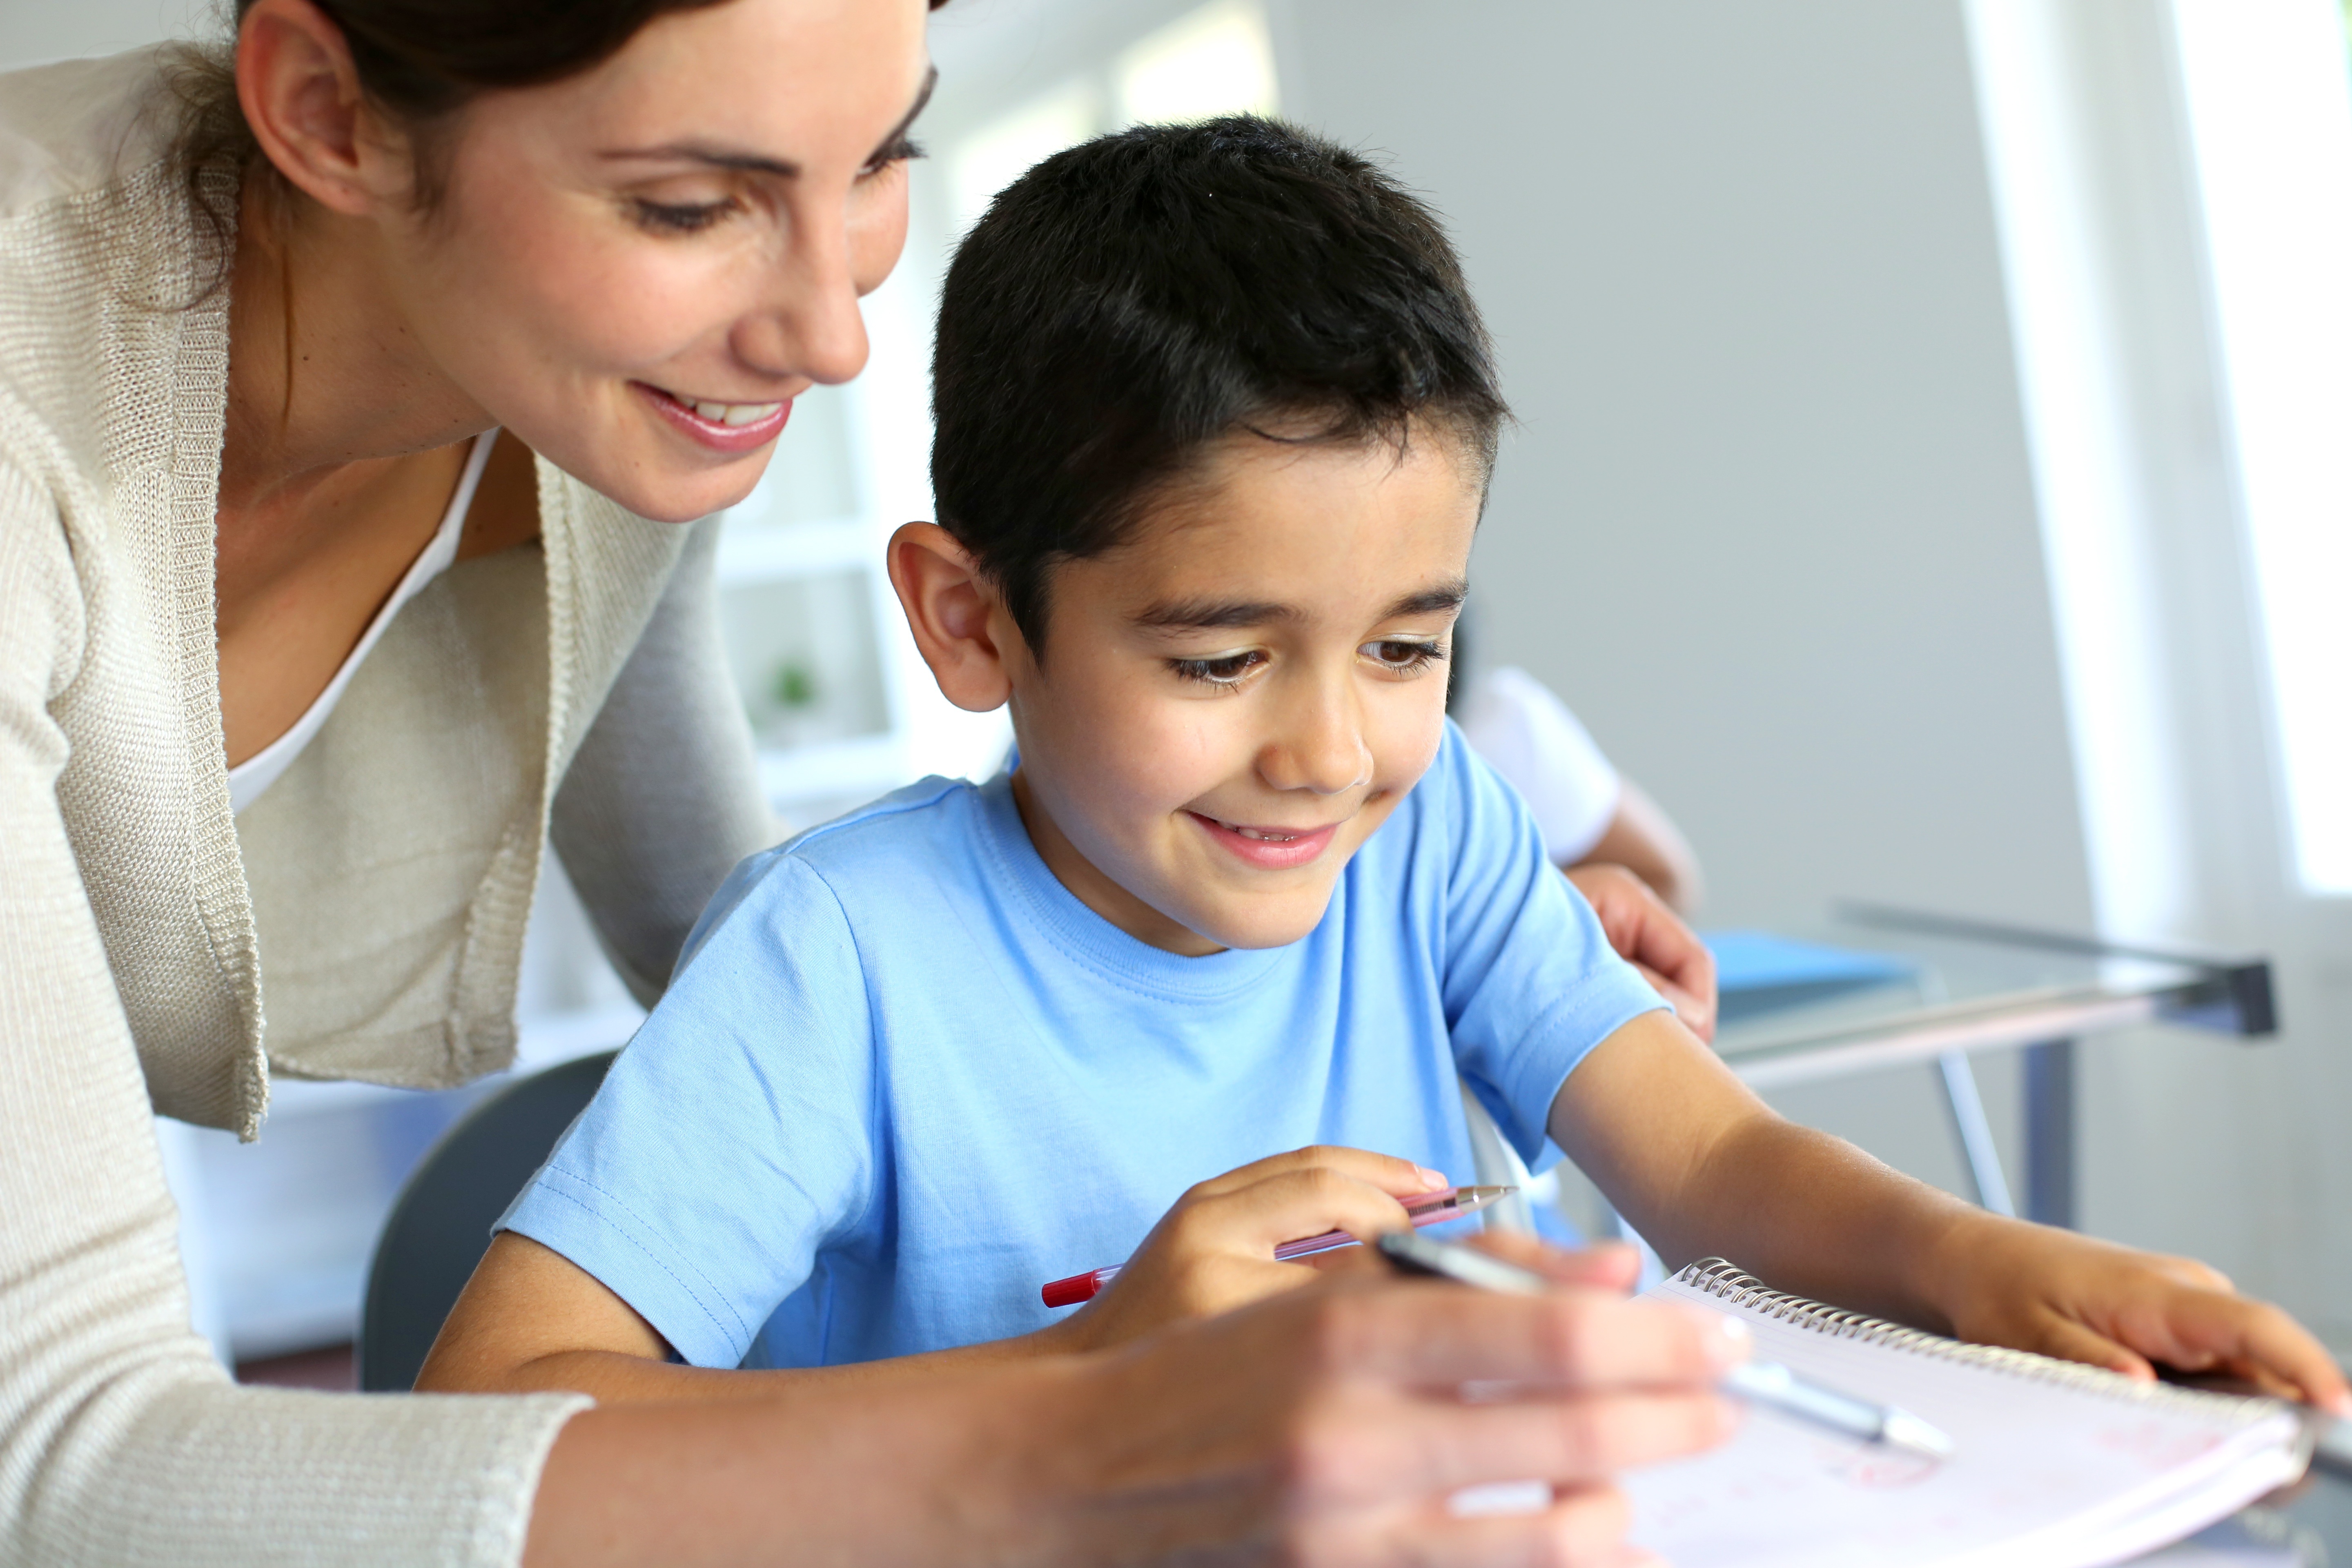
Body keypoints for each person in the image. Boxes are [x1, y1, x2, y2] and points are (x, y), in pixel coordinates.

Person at [0, 1, 1742, 1562]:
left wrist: (1425, 932)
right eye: (693, 205)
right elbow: (56, 1462)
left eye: (879, 157)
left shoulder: (616, 393)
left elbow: (759, 960)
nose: (835, 333)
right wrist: (1093, 1412)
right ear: (327, 109)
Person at [422, 120, 2352, 1424]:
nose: (1330, 753)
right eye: (1218, 655)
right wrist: (1096, 1393)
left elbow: (1716, 1169)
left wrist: (1994, 1270)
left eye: (1408, 647)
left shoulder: (1432, 844)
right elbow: (498, 1416)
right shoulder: (839, 956)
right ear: (971, 623)